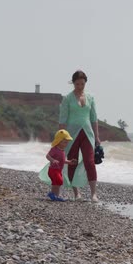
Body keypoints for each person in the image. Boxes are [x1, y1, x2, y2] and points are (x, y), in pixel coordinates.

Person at [39, 70, 101, 202]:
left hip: (88, 134)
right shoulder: (67, 99)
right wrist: (61, 139)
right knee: (72, 162)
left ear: (85, 83)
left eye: (82, 84)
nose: (80, 86)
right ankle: (76, 193)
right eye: (77, 84)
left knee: (90, 162)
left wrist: (97, 137)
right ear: (73, 83)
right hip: (71, 135)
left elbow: (94, 119)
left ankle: (93, 194)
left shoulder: (90, 98)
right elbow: (62, 120)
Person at [45, 129, 77, 201]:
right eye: (65, 142)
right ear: (59, 141)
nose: (66, 144)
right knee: (59, 181)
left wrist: (69, 162)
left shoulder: (62, 150)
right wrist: (53, 160)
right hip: (53, 170)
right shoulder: (54, 149)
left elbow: (62, 161)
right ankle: (55, 195)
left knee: (56, 183)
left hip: (58, 170)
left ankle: (54, 195)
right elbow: (47, 156)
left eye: (67, 142)